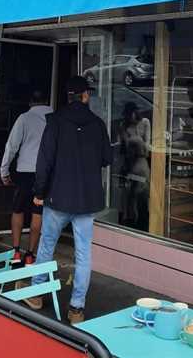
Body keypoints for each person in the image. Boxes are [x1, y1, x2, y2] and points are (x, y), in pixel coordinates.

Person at [26, 76, 111, 324]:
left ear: (68, 96)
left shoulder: (55, 122)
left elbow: (44, 162)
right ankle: (76, 309)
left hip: (57, 197)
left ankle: (37, 294)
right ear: (85, 95)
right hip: (87, 201)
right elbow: (107, 158)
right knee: (83, 253)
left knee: (47, 245)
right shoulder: (98, 124)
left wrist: (39, 193)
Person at [0, 90, 52, 265]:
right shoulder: (55, 118)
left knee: (18, 209)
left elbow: (11, 146)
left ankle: (15, 251)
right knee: (38, 211)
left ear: (31, 102)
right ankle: (30, 254)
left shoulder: (24, 118)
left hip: (24, 170)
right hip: (45, 172)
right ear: (46, 100)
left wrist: (4, 171)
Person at [118, 102, 151, 230]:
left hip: (141, 163)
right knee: (130, 196)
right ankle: (130, 221)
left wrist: (135, 141)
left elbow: (146, 147)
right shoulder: (123, 126)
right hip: (129, 163)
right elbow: (124, 147)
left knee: (142, 194)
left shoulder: (145, 123)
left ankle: (143, 222)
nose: (128, 117)